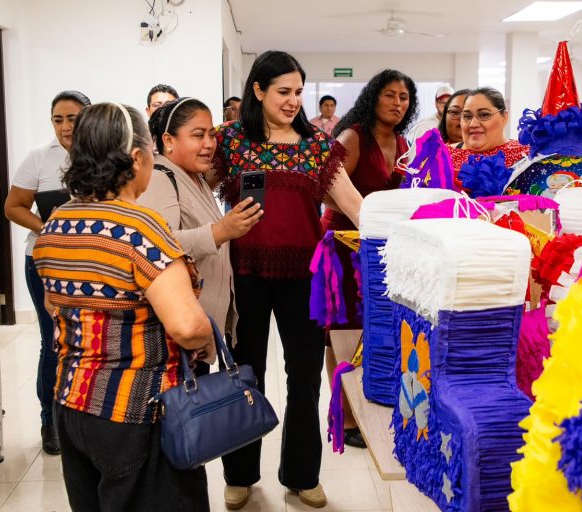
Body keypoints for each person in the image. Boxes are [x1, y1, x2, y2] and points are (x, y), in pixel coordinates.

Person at [32, 102, 214, 511]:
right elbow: (187, 326)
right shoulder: (139, 227)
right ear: (137, 157)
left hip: (72, 404)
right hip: (132, 410)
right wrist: (203, 336)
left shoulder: (56, 223)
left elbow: (53, 304)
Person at [212, 50, 363, 510]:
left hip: (303, 278)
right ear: (258, 91)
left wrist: (404, 225)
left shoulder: (317, 145)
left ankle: (302, 474)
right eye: (284, 91)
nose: (294, 100)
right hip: (245, 276)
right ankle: (239, 474)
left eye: (298, 91)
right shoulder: (230, 142)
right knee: (243, 376)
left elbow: (354, 204)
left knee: (303, 379)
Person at [326, 69, 418, 447]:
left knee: (376, 325)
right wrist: (362, 215)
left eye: (405, 98)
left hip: (383, 247)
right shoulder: (353, 136)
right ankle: (344, 416)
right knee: (341, 330)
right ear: (372, 98)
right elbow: (327, 191)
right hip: (345, 244)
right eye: (390, 96)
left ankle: (372, 397)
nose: (398, 104)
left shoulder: (403, 142)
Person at [138, 97, 263, 365]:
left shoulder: (194, 176)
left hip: (198, 328)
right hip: (177, 330)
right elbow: (159, 246)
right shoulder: (161, 177)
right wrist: (221, 231)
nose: (209, 144)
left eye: (211, 135)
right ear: (168, 140)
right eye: (198, 135)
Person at [4, 89, 91, 456]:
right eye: (58, 119)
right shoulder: (38, 158)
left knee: (88, 341)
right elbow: (14, 207)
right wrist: (49, 229)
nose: (65, 126)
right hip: (44, 261)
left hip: (90, 264)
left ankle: (83, 419)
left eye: (72, 118)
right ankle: (49, 421)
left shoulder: (101, 155)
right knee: (53, 341)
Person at [448, 87, 528, 180]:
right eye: (467, 116)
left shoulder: (525, 157)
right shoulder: (444, 155)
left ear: (504, 117)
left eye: (484, 115)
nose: (473, 124)